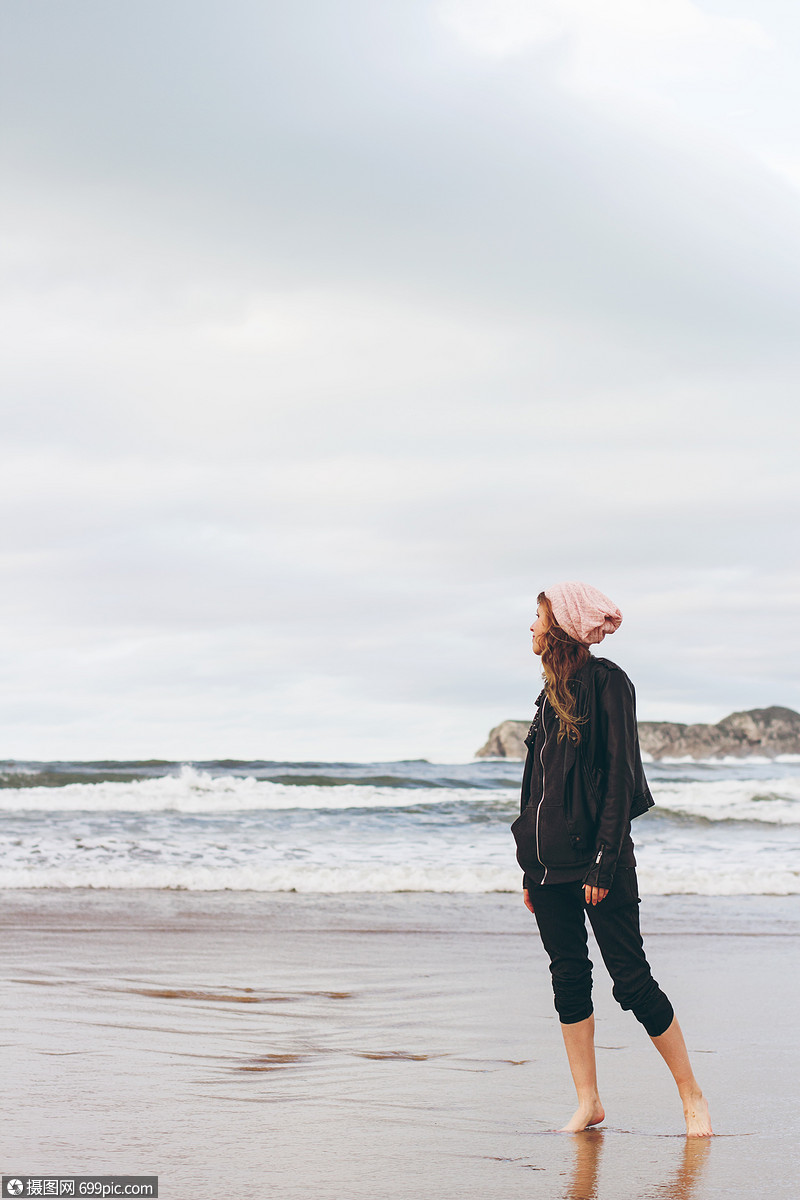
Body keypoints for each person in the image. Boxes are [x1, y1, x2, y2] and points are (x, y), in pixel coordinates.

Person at [511, 581, 712, 1137]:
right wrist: (531, 867)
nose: (530, 626)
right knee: (568, 977)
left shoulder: (608, 683)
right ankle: (588, 1102)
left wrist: (603, 862)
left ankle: (692, 1097)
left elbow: (621, 777)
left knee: (632, 981)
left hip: (599, 863)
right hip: (549, 866)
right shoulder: (546, 696)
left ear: (563, 625)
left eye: (538, 616)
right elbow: (536, 789)